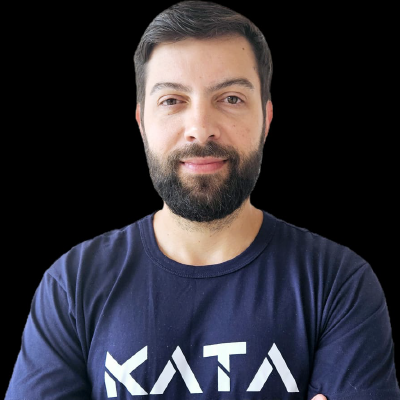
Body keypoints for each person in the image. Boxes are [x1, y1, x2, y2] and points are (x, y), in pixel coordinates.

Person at [5, 1, 399, 399]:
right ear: (142, 123)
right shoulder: (72, 283)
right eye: (172, 100)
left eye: (231, 98)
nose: (200, 128)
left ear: (266, 119)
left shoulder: (338, 283)